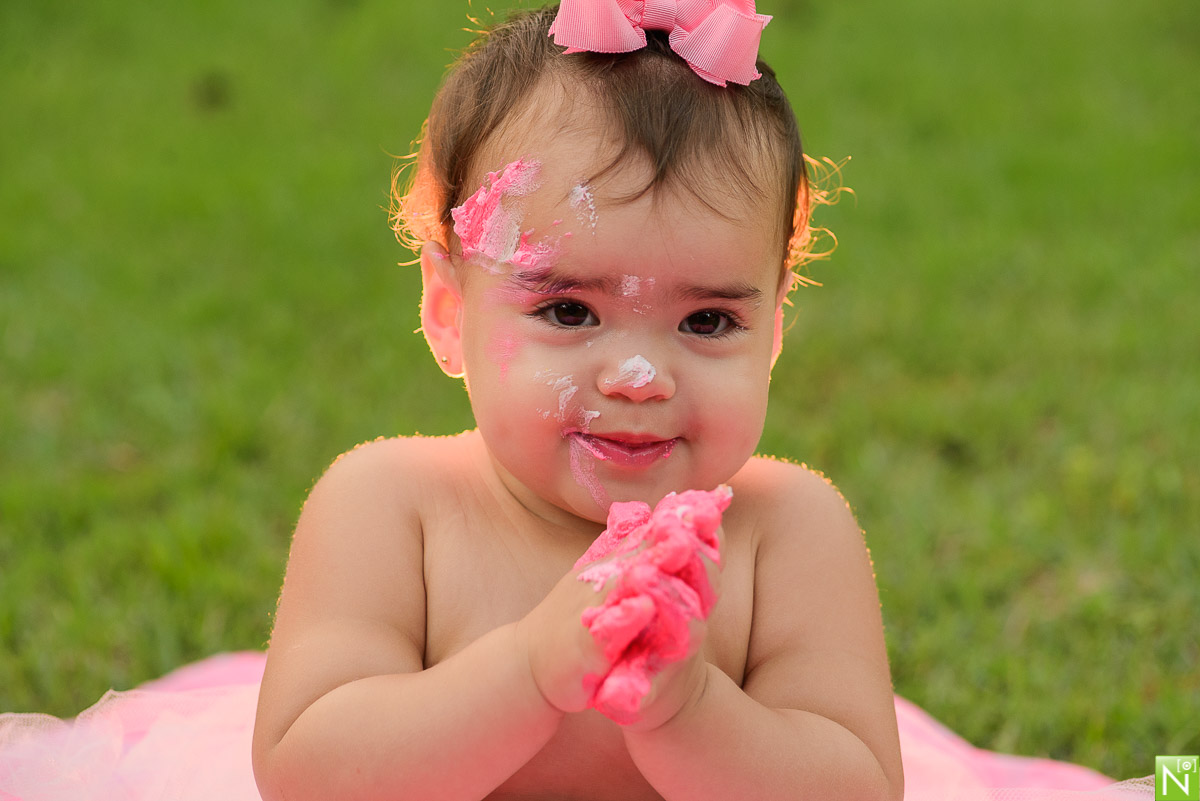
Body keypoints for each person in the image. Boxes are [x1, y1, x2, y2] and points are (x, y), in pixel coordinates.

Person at [250, 2, 906, 800]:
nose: (638, 375)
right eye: (569, 311)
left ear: (774, 327)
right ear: (449, 311)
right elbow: (307, 771)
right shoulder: (391, 510)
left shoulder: (786, 533)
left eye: (706, 320)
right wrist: (530, 670)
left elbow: (858, 786)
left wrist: (689, 709)